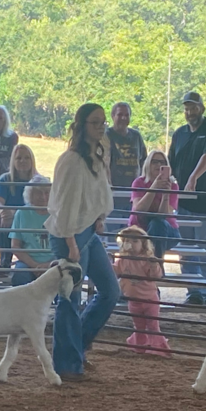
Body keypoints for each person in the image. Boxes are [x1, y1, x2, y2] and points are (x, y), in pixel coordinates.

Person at [46, 103, 120, 380]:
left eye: (102, 122)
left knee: (110, 291)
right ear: (81, 126)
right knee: (69, 298)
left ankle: (77, 346)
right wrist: (70, 242)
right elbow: (64, 205)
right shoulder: (72, 160)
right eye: (95, 122)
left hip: (87, 229)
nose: (101, 127)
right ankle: (67, 364)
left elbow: (98, 194)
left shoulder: (97, 155)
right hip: (70, 234)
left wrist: (99, 215)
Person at [168, 92, 206, 306]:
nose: (190, 112)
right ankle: (194, 291)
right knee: (187, 249)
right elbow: (171, 161)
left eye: (193, 107)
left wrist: (193, 178)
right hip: (183, 202)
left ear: (202, 108)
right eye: (187, 108)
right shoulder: (179, 134)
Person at [113, 226, 171, 357]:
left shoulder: (147, 259)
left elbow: (155, 276)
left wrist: (153, 265)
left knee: (152, 326)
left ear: (143, 244)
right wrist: (108, 263)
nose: (131, 245)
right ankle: (139, 347)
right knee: (138, 325)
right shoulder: (122, 260)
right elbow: (115, 272)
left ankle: (157, 349)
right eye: (127, 241)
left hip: (150, 299)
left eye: (135, 241)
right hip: (133, 300)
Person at [0, 144, 40, 270]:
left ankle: (36, 261)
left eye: (26, 158)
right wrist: (3, 211)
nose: (22, 161)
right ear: (13, 161)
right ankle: (5, 262)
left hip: (33, 221)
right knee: (4, 219)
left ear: (32, 160)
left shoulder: (38, 181)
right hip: (9, 221)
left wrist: (15, 213)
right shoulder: (5, 179)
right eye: (18, 158)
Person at [129, 150, 182, 258]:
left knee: (157, 224)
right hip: (140, 230)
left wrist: (166, 194)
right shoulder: (139, 182)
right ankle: (156, 268)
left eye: (163, 162)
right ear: (148, 164)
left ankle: (154, 266)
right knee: (154, 227)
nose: (159, 165)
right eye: (155, 162)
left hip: (167, 231)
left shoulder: (173, 185)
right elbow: (138, 210)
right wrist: (154, 188)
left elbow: (164, 215)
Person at [106, 102, 147, 234]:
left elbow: (144, 162)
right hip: (113, 196)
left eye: (126, 115)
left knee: (134, 235)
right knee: (111, 235)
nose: (123, 118)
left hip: (134, 196)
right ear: (113, 116)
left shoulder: (136, 136)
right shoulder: (106, 136)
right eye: (120, 114)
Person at [9, 175, 53, 287]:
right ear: (29, 195)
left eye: (46, 192)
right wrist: (35, 265)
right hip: (28, 262)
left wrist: (48, 265)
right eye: (38, 193)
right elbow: (15, 246)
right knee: (20, 276)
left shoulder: (58, 213)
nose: (43, 197)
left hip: (54, 262)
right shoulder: (22, 213)